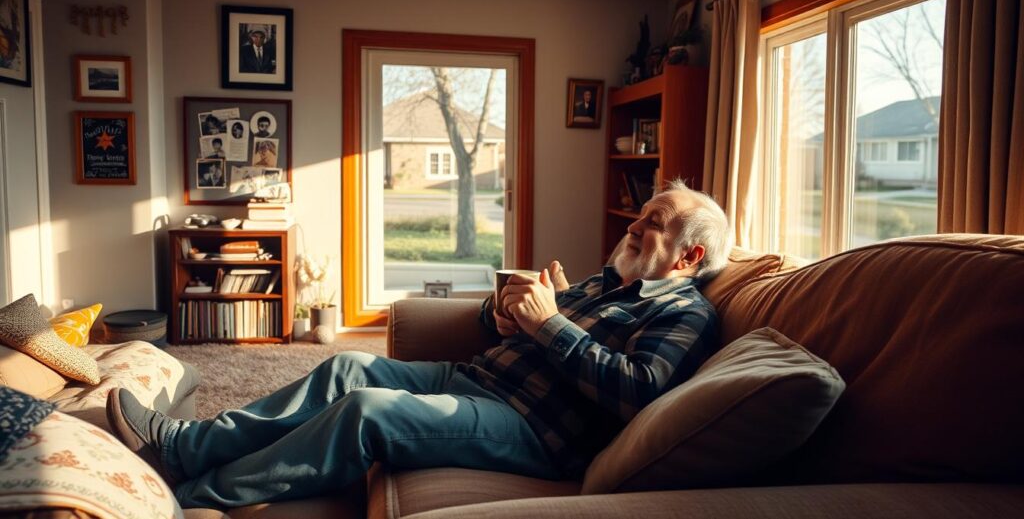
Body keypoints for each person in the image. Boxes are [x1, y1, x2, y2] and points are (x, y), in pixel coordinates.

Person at [105, 179, 730, 509]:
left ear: (691, 254)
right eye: (642, 214)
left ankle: (188, 498)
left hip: (534, 430)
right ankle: (186, 446)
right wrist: (508, 312)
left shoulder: (686, 312)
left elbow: (638, 392)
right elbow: (501, 329)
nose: (637, 225)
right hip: (476, 381)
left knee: (369, 411)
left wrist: (551, 325)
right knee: (347, 366)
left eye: (656, 222)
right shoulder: (604, 283)